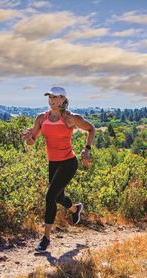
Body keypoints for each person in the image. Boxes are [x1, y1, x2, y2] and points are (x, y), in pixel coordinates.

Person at [23, 86, 95, 252]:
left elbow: (91, 129)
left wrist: (87, 148)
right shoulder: (41, 118)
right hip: (53, 163)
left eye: (56, 98)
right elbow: (32, 141)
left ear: (63, 99)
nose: (52, 101)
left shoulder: (70, 118)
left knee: (50, 196)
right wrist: (28, 138)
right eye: (50, 97)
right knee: (57, 197)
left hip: (68, 163)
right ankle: (76, 209)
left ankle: (46, 238)